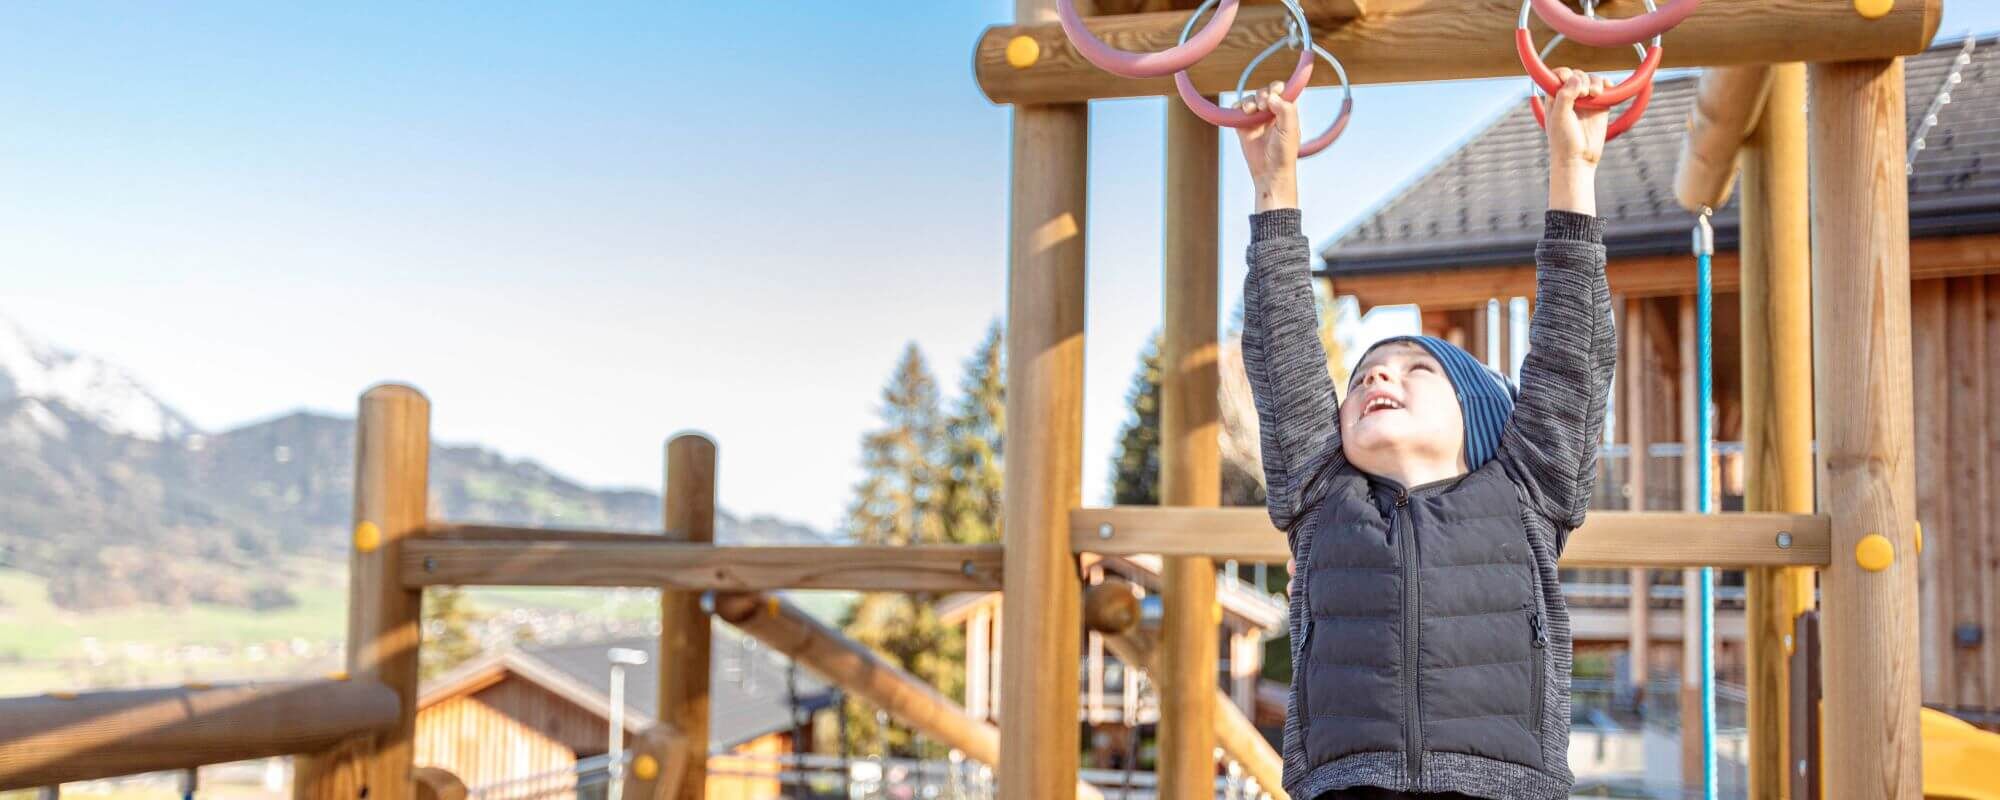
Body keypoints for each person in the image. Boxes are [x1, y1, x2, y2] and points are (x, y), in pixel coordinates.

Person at [1237, 68, 1618, 800]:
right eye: (1364, 375)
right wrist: (1273, 185)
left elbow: (1571, 352)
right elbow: (1283, 349)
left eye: (1415, 369)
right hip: (1346, 785)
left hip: (1500, 786)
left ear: (1477, 417)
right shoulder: (1321, 495)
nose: (1378, 378)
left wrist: (1574, 169)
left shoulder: (1528, 488)